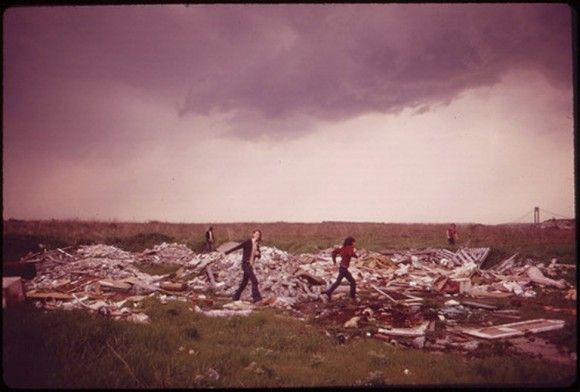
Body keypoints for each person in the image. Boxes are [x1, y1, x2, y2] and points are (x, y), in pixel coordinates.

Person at [224, 229, 263, 303]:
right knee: (254, 281)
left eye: (259, 235)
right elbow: (238, 247)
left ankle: (236, 296)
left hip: (250, 266)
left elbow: (259, 255)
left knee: (244, 282)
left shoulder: (257, 245)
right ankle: (257, 298)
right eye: (256, 234)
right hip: (245, 264)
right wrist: (226, 252)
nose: (258, 236)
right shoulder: (248, 242)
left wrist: (258, 255)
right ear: (253, 234)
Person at [322, 236, 359, 301]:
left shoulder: (343, 248)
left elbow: (334, 252)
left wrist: (334, 262)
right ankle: (352, 297)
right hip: (344, 269)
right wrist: (355, 256)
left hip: (342, 267)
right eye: (353, 242)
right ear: (351, 242)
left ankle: (328, 292)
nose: (354, 244)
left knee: (338, 282)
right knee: (352, 282)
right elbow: (350, 253)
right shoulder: (350, 248)